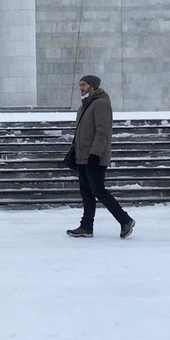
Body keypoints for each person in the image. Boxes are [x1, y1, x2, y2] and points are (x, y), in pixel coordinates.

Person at [67, 74, 136, 239]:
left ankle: (125, 220)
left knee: (99, 191)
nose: (81, 88)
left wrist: (95, 154)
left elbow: (103, 131)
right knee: (87, 192)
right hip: (82, 156)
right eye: (80, 85)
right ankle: (86, 227)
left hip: (93, 157)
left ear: (92, 86)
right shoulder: (87, 104)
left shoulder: (101, 104)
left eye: (83, 85)